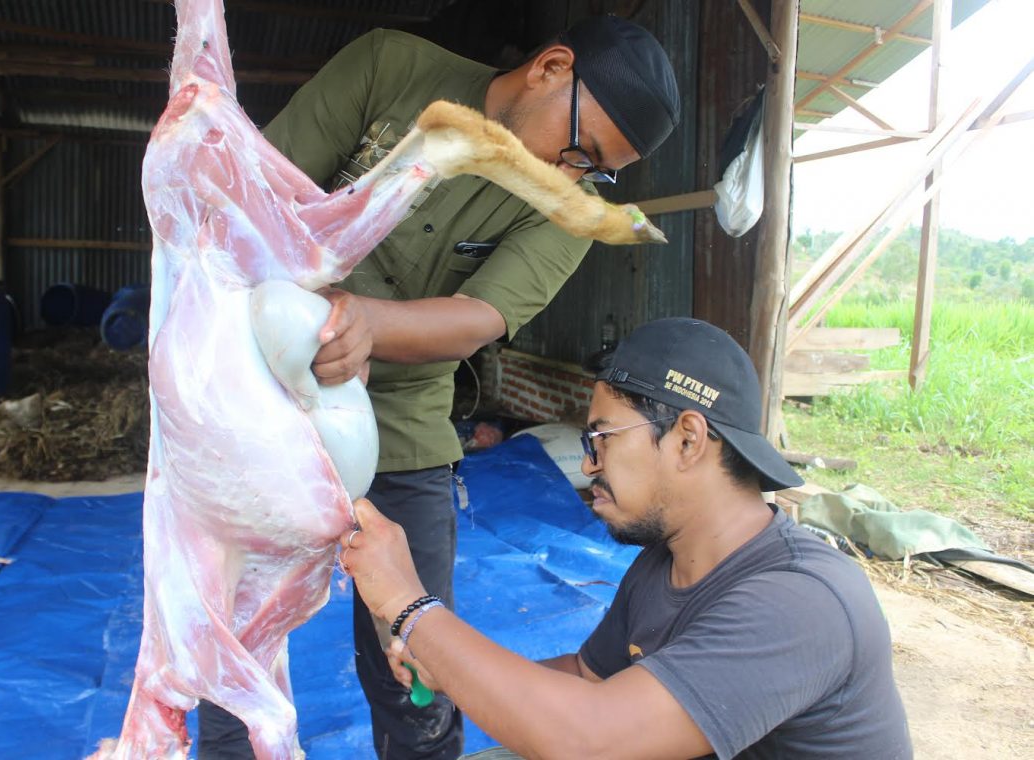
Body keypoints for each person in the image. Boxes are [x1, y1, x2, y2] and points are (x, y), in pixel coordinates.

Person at [197, 15, 681, 760]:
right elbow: (256, 198)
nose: (573, 174)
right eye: (579, 148)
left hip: (400, 430)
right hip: (266, 401)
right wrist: (302, 318)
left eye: (599, 171)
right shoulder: (390, 68)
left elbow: (479, 316)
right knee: (238, 648)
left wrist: (366, 323)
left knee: (415, 656)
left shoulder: (567, 204)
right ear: (551, 67)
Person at [340, 317, 914, 759]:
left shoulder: (800, 600)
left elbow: (590, 740)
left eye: (602, 437)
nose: (589, 465)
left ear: (688, 440)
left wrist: (408, 605)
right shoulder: (666, 563)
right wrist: (447, 665)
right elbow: (588, 678)